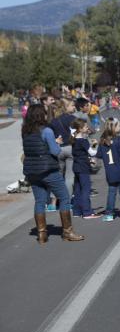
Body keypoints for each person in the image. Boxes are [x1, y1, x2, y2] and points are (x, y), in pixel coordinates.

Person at [22, 104, 84, 243]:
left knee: (39, 201)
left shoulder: (25, 131)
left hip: (32, 171)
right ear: (41, 116)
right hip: (48, 170)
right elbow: (55, 151)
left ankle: (42, 234)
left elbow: (32, 149)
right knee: (64, 197)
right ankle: (67, 231)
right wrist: (56, 143)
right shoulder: (47, 131)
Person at [96, 118, 120, 221]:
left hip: (111, 172)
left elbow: (98, 155)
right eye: (119, 125)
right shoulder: (119, 139)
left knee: (112, 192)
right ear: (113, 128)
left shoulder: (102, 141)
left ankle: (109, 214)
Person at [70, 119, 101, 219]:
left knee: (77, 190)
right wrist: (96, 145)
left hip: (76, 166)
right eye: (86, 127)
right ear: (80, 128)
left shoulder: (74, 140)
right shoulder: (83, 141)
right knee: (86, 189)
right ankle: (87, 212)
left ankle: (76, 211)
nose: (87, 128)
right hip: (83, 167)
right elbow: (92, 153)